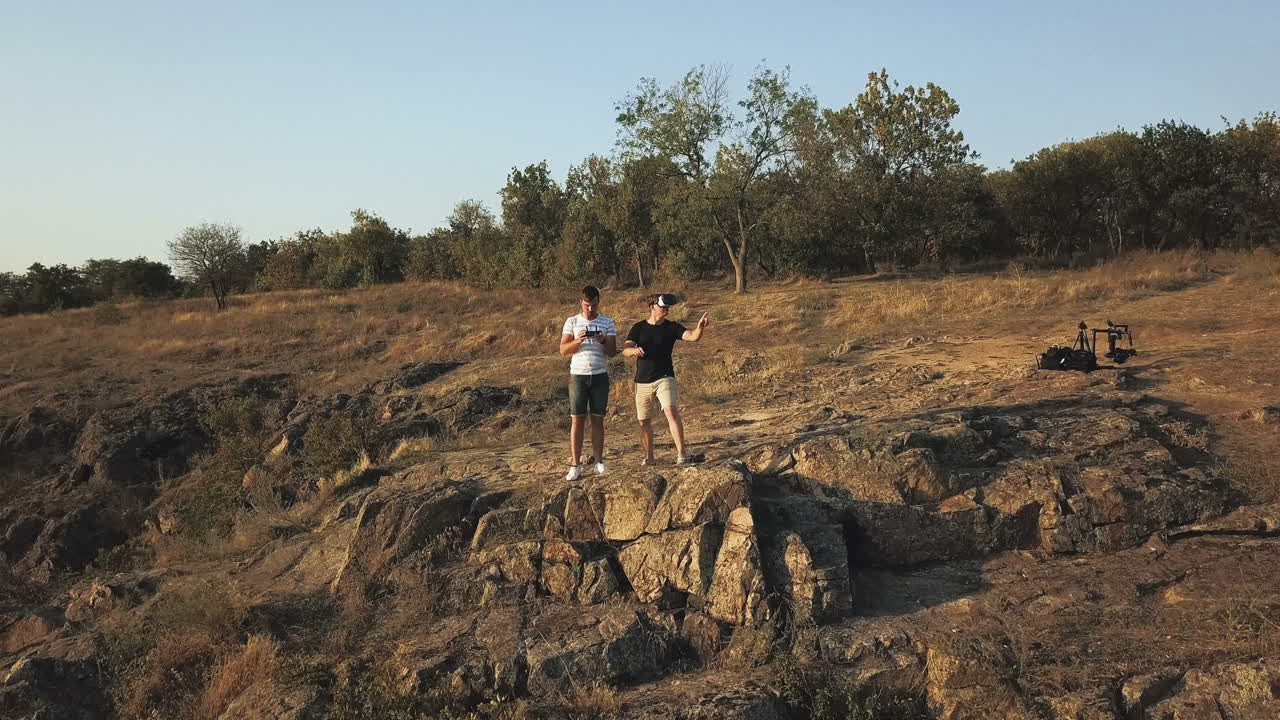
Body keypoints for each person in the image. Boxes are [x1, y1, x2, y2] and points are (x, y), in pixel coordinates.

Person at [621, 293, 709, 465]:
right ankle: (650, 457)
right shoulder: (638, 327)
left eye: (668, 307)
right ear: (652, 307)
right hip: (642, 381)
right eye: (663, 307)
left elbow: (692, 336)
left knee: (670, 411)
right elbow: (625, 348)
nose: (666, 310)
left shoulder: (671, 327)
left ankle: (682, 454)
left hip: (665, 377)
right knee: (643, 421)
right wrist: (633, 351)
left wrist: (700, 327)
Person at [559, 285, 617, 481]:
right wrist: (578, 340)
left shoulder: (607, 322)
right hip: (578, 376)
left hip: (600, 375)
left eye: (593, 305)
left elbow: (612, 351)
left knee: (598, 419)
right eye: (586, 305)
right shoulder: (572, 321)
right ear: (581, 303)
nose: (589, 309)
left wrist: (602, 340)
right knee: (577, 419)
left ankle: (599, 461)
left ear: (598, 302)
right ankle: (575, 465)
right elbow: (563, 350)